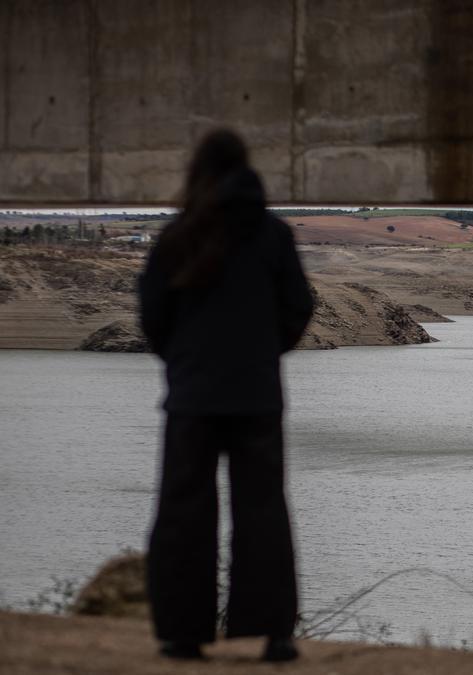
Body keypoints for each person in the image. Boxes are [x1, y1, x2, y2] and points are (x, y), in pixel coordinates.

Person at [138, 128, 314, 662]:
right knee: (262, 510)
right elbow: (298, 307)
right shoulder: (274, 236)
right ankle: (274, 634)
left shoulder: (177, 237)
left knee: (182, 511)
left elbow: (152, 318)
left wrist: (185, 362)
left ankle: (182, 634)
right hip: (257, 394)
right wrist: (263, 354)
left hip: (192, 396)